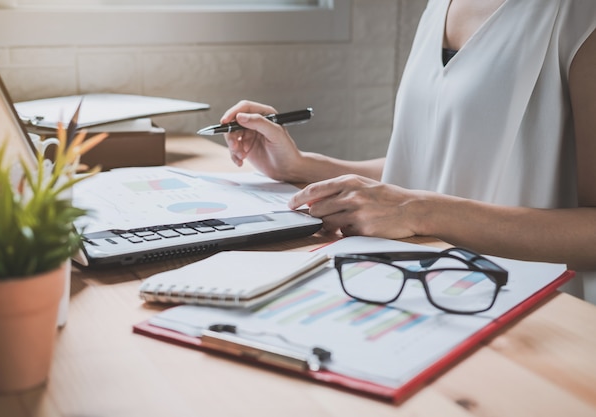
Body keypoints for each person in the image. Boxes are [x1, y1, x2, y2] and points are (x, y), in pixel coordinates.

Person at [219, 1, 596, 298]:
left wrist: (421, 212)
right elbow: (429, 170)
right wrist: (301, 167)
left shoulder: (579, 15)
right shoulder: (438, 6)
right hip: (415, 287)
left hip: (525, 311)